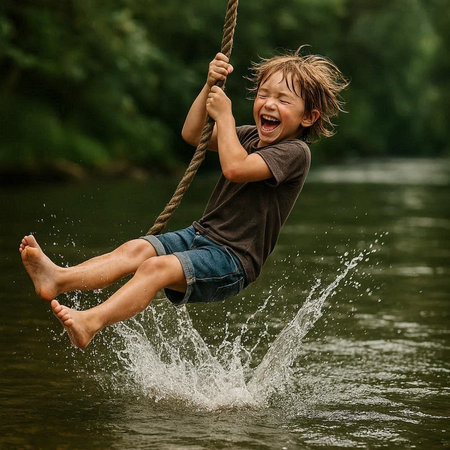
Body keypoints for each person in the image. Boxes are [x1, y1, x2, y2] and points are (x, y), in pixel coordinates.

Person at [19, 47, 348, 349]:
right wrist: (209, 86)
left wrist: (226, 117)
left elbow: (235, 168)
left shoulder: (294, 152)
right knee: (137, 249)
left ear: (308, 117)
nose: (269, 104)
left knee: (155, 268)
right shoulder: (247, 135)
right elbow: (193, 134)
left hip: (233, 259)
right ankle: (58, 278)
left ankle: (90, 321)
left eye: (284, 100)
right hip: (201, 235)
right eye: (263, 95)